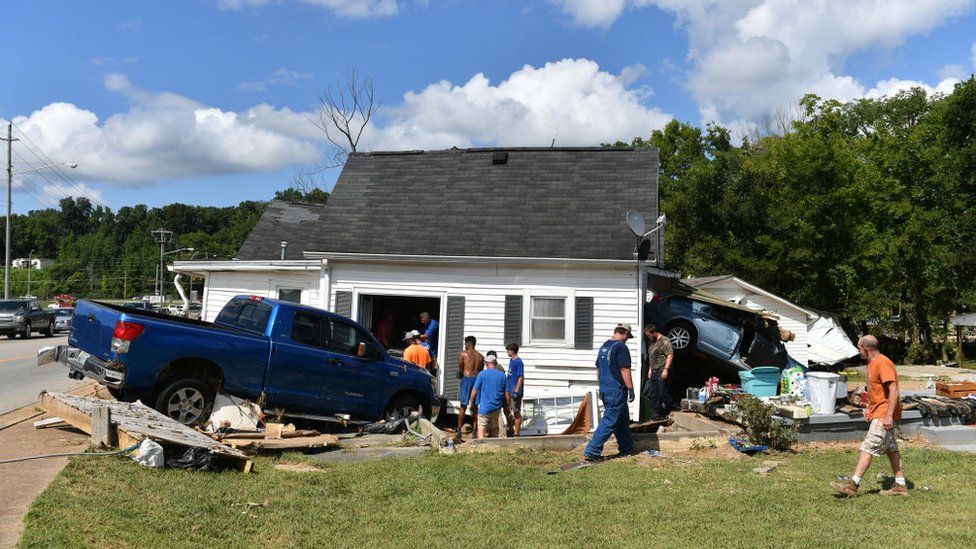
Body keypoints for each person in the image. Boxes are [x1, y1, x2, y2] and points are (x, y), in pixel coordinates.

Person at [830, 335, 908, 497]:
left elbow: (893, 390)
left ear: (866, 348)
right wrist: (870, 411)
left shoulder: (883, 363)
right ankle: (900, 486)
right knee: (891, 450)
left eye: (859, 349)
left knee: (867, 448)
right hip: (879, 413)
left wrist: (888, 416)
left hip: (884, 414)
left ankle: (852, 486)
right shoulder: (871, 364)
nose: (859, 352)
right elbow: (877, 392)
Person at [583, 323, 636, 461]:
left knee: (622, 419)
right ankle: (592, 451)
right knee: (610, 419)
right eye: (628, 336)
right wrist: (630, 388)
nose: (627, 339)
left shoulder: (604, 346)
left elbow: (599, 369)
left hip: (606, 388)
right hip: (616, 389)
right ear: (624, 333)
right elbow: (624, 369)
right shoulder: (621, 347)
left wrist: (601, 386)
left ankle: (626, 448)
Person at [469, 353, 507, 439]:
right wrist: (507, 407)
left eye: (486, 364)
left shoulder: (482, 374)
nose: (485, 365)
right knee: (497, 431)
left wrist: (471, 404)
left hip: (484, 409)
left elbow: (474, 390)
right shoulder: (502, 375)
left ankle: (481, 448)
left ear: (488, 363)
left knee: (481, 429)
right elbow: (506, 393)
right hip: (497, 409)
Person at [644, 324, 674, 420]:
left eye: (649, 335)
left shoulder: (664, 341)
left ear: (654, 333)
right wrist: (650, 370)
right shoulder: (652, 343)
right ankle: (656, 414)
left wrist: (666, 369)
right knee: (654, 394)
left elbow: (670, 355)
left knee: (662, 393)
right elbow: (651, 357)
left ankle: (671, 407)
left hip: (662, 371)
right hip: (653, 372)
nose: (648, 337)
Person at [456, 335, 485, 435]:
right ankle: (474, 430)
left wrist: (459, 375)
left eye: (465, 344)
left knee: (463, 406)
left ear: (469, 344)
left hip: (467, 379)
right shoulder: (481, 356)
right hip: (477, 379)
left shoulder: (463, 354)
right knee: (475, 406)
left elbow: (460, 369)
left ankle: (459, 430)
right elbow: (481, 371)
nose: (464, 346)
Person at [504, 343, 525, 436]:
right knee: (510, 410)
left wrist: (516, 390)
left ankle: (516, 433)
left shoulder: (518, 362)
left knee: (516, 412)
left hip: (515, 391)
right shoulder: (511, 361)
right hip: (509, 390)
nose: (507, 352)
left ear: (512, 351)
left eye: (508, 350)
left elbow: (520, 377)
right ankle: (511, 431)